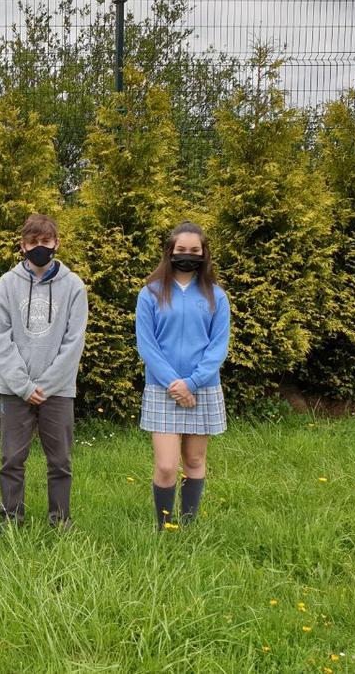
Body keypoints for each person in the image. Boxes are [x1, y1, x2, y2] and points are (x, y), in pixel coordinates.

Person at [0, 213, 88, 527]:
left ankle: (60, 520)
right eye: (33, 242)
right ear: (22, 246)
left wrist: (46, 384)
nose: (39, 247)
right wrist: (24, 386)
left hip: (58, 390)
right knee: (12, 460)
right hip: (15, 390)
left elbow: (74, 341)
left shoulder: (73, 286)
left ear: (56, 243)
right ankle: (11, 521)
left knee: (60, 461)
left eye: (45, 241)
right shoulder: (6, 285)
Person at [134, 221, 231, 531]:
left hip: (202, 388)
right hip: (162, 389)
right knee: (165, 466)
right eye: (181, 250)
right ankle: (164, 527)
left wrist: (191, 383)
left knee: (193, 462)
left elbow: (218, 347)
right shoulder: (149, 294)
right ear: (170, 252)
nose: (187, 255)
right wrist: (174, 384)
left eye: (194, 250)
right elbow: (146, 345)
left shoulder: (217, 296)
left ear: (203, 254)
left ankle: (187, 526)